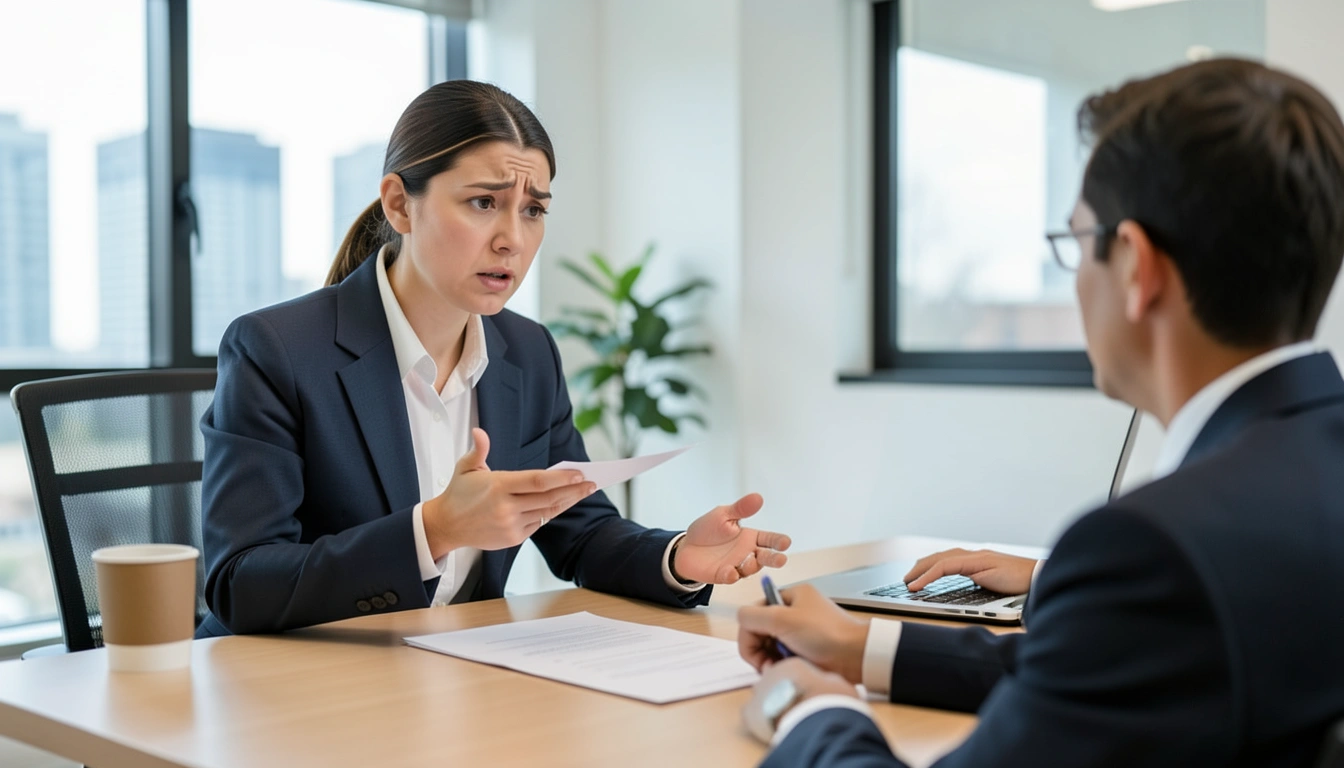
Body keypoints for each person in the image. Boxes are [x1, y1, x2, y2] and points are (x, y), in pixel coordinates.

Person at [737, 58, 1344, 767]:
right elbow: (1127, 678)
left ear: (1137, 268)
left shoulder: (1156, 548)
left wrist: (809, 711)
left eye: (1077, 246)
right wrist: (867, 647)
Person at [196, 80, 790, 638]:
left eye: (533, 210)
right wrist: (436, 530)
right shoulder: (276, 349)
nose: (512, 238)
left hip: (448, 677)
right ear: (401, 206)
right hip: (291, 691)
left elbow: (582, 534)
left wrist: (677, 557)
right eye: (484, 202)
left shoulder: (527, 354)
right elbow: (240, 583)